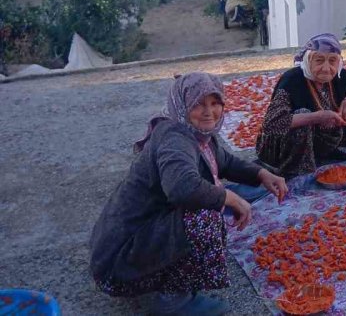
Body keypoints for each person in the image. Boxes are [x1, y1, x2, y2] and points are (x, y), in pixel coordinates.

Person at [90, 72, 288, 315]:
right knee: (206, 215)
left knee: (215, 196)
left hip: (139, 240)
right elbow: (182, 187)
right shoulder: (174, 138)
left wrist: (261, 175)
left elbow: (225, 162)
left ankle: (171, 279)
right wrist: (228, 197)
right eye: (198, 104)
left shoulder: (199, 136)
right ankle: (173, 301)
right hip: (119, 262)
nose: (209, 112)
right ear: (182, 105)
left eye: (215, 103)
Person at [256, 33, 346, 177]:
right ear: (308, 61)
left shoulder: (341, 76)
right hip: (280, 149)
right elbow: (272, 123)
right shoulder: (291, 80)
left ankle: (344, 149)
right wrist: (316, 117)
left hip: (319, 138)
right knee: (302, 114)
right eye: (319, 61)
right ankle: (296, 170)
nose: (326, 68)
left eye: (332, 61)